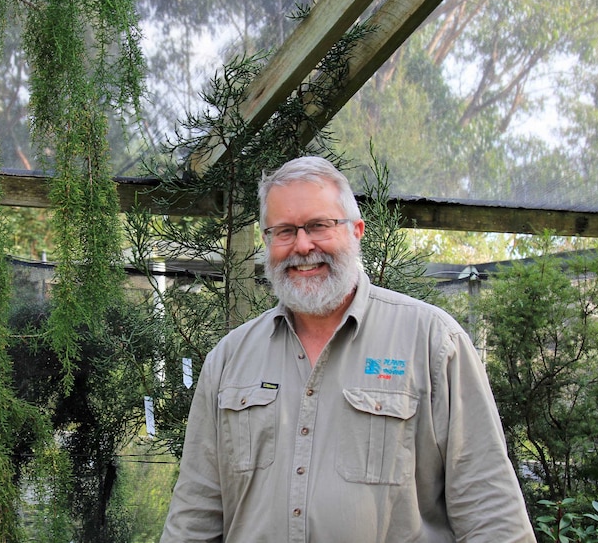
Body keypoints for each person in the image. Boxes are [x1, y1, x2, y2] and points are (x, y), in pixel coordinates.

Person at [160, 156, 536, 542]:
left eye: (319, 226)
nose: (302, 246)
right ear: (267, 242)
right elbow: (194, 515)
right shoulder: (229, 359)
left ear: (357, 231)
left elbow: (491, 512)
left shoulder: (433, 342)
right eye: (284, 231)